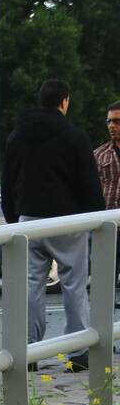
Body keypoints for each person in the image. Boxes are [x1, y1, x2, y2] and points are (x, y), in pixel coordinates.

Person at [1, 79, 104, 372]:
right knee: (73, 285)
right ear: (64, 101)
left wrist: (13, 219)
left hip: (27, 221)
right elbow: (88, 182)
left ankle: (30, 350)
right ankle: (79, 351)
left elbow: (7, 181)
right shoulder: (74, 136)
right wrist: (94, 218)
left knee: (31, 285)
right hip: (67, 221)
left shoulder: (17, 135)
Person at [92, 100, 120, 292]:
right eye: (109, 121)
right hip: (108, 227)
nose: (111, 125)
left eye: (117, 121)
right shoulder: (99, 155)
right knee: (105, 283)